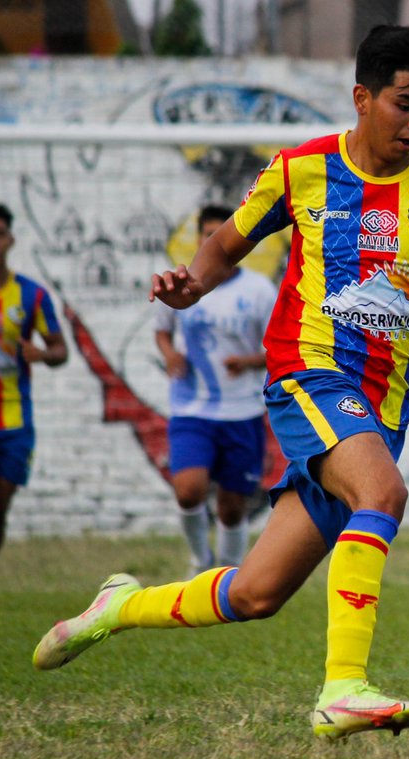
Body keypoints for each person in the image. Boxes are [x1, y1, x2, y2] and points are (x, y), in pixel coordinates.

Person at [33, 25, 409, 744]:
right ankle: (343, 689)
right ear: (363, 97)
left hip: (384, 405)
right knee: (382, 496)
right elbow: (226, 246)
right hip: (307, 372)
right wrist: (189, 286)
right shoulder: (300, 169)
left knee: (256, 593)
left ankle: (117, 607)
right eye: (405, 104)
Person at [154, 205, 277, 576]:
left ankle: (227, 576)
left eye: (219, 233)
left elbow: (277, 349)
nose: (212, 241)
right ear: (197, 238)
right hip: (192, 408)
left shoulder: (259, 290)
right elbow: (161, 330)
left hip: (242, 411)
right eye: (206, 233)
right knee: (188, 490)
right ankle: (199, 562)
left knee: (232, 504)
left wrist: (249, 362)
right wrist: (171, 353)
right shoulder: (182, 284)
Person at [0, 203, 68, 607]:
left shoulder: (31, 295)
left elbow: (60, 349)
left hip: (16, 416)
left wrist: (43, 354)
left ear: (12, 239)